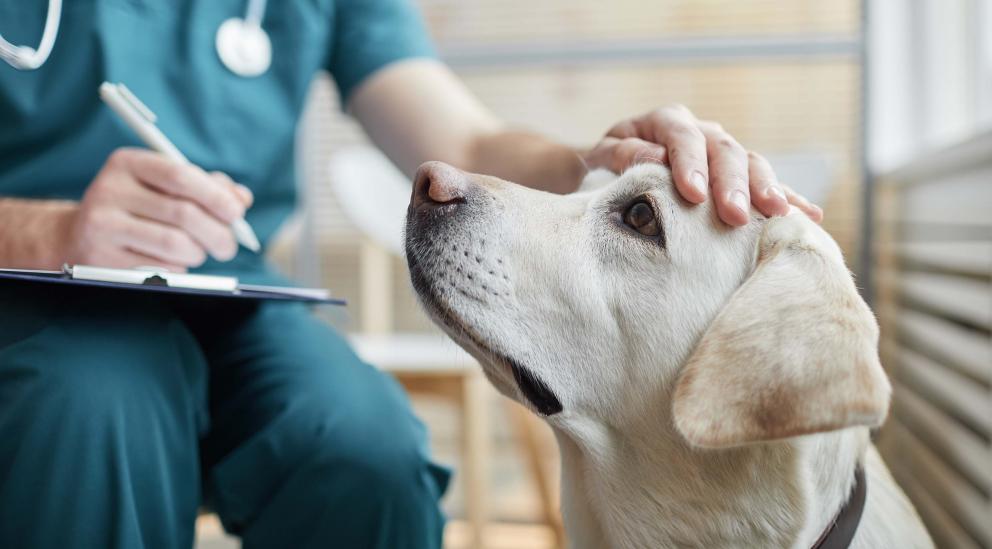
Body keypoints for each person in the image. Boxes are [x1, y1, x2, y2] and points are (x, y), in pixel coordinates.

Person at [0, 1, 821, 548]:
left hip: (232, 290)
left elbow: (464, 142)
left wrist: (593, 158)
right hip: (24, 291)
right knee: (90, 410)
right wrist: (47, 228)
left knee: (369, 450)